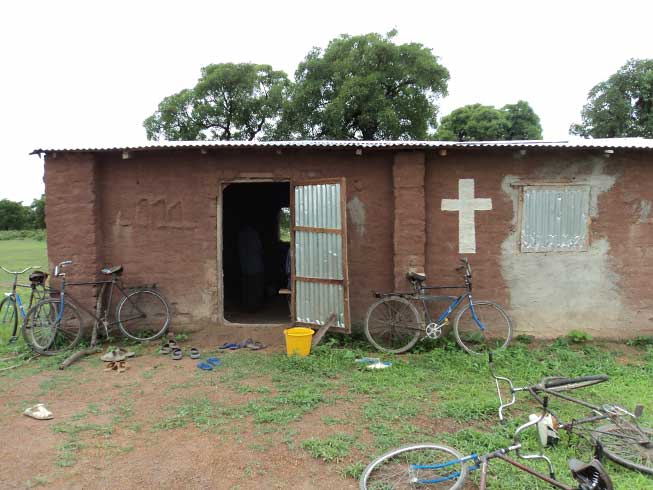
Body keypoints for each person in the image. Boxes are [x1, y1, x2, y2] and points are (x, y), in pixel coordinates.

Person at [238, 223, 265, 311]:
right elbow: (259, 248)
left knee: (247, 288)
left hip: (245, 267)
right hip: (256, 266)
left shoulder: (241, 234)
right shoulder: (254, 234)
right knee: (256, 287)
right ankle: (256, 306)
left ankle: (248, 306)